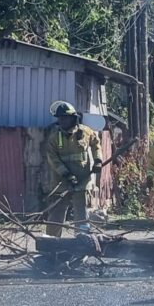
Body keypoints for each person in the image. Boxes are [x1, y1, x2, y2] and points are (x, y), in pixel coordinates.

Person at [42, 101, 103, 237]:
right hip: (61, 181)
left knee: (81, 212)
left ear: (73, 118)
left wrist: (98, 161)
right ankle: (51, 242)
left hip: (83, 180)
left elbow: (96, 145)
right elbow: (53, 159)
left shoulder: (86, 132)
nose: (62, 121)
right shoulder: (54, 137)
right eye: (60, 118)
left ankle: (82, 239)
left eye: (65, 118)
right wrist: (66, 175)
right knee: (57, 212)